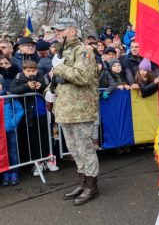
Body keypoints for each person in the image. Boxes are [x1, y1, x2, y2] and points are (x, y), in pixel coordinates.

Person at [46, 18, 100, 206]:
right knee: (74, 150)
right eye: (56, 30)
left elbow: (82, 76)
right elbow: (54, 79)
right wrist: (48, 92)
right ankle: (82, 182)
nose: (57, 32)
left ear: (72, 30)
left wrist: (59, 67)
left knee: (85, 148)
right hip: (65, 109)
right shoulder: (61, 52)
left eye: (61, 29)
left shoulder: (83, 51)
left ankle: (92, 186)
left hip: (81, 109)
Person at [8, 60, 55, 176]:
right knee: (33, 140)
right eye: (28, 70)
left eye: (33, 70)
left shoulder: (41, 78)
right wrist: (25, 86)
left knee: (46, 138)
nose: (31, 73)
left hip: (43, 113)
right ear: (23, 70)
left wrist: (41, 87)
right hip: (29, 115)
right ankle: (37, 163)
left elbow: (49, 91)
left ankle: (49, 160)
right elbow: (10, 91)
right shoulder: (18, 78)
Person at [1, 78, 24, 186]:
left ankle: (14, 173)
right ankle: (5, 173)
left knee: (12, 152)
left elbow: (20, 110)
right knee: (2, 154)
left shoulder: (9, 97)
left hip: (10, 130)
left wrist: (12, 123)